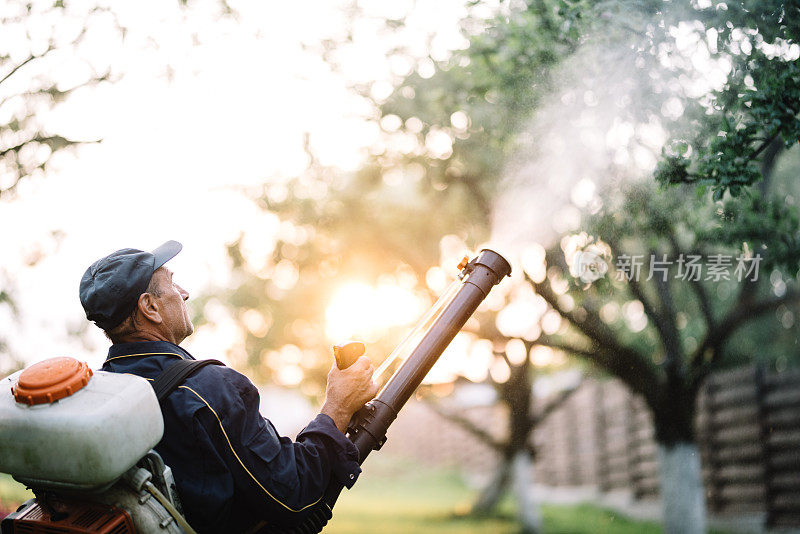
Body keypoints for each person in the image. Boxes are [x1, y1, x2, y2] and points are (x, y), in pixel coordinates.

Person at [79, 240, 378, 533]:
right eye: (172, 284)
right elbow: (291, 495)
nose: (184, 294)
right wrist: (337, 406)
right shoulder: (209, 389)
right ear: (150, 307)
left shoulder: (95, 396)